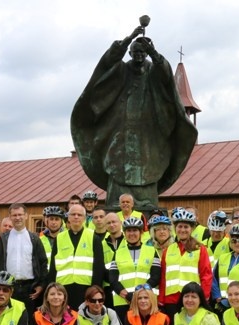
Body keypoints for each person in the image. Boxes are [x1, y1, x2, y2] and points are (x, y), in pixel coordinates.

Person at [71, 24, 197, 208]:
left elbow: (166, 75)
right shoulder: (121, 70)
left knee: (149, 164)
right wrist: (129, 38)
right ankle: (117, 202)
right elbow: (107, 62)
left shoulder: (153, 71)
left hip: (148, 131)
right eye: (135, 52)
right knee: (117, 163)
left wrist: (153, 51)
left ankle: (145, 200)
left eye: (142, 52)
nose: (139, 55)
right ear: (129, 53)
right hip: (120, 129)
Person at [47, 204, 105, 309]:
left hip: (86, 288)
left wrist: (95, 290)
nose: (76, 217)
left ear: (85, 218)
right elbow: (53, 266)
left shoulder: (93, 237)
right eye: (73, 214)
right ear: (68, 217)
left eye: (79, 214)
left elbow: (99, 267)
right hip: (62, 288)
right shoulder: (59, 238)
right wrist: (52, 289)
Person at [159, 209, 212, 320]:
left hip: (191, 298)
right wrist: (161, 299)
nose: (182, 230)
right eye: (180, 226)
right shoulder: (167, 250)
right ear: (175, 228)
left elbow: (206, 275)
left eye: (186, 227)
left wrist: (204, 297)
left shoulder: (200, 249)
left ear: (191, 229)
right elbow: (163, 277)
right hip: (171, 300)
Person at [108, 216, 161, 319]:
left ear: (141, 232)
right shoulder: (118, 253)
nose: (132, 234)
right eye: (129, 231)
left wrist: (140, 294)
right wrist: (127, 295)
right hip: (123, 301)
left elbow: (156, 276)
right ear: (124, 233)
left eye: (135, 230)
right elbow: (113, 280)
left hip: (146, 301)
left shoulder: (151, 251)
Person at [40, 205, 65, 270]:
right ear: (47, 221)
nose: (54, 222)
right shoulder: (40, 240)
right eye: (51, 219)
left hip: (62, 278)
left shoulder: (68, 238)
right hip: (46, 277)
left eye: (57, 219)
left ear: (61, 222)